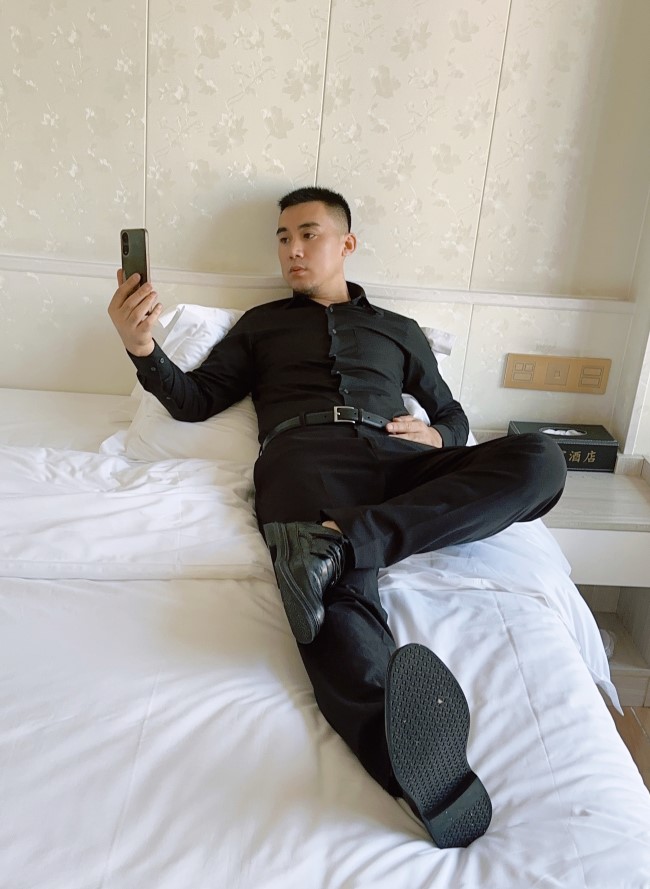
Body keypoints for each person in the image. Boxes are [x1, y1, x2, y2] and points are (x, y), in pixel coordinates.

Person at [108, 186, 567, 848]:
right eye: (282, 238)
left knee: (541, 461)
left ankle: (343, 543)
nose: (292, 250)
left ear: (346, 243)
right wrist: (143, 348)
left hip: (399, 459)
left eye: (308, 234)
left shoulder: (400, 330)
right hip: (306, 459)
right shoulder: (261, 326)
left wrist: (438, 435)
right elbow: (195, 400)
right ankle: (418, 770)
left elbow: (452, 414)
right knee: (331, 608)